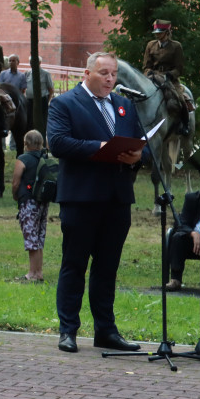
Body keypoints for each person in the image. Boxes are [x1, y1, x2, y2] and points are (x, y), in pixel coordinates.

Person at [48, 51, 146, 354]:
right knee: (74, 264)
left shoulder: (124, 105)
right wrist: (100, 148)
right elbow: (59, 142)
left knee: (107, 268)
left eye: (114, 73)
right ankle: (68, 331)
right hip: (81, 198)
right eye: (104, 73)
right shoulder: (64, 103)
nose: (110, 79)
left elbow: (143, 142)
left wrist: (139, 155)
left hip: (117, 199)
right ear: (86, 73)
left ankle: (106, 330)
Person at [11, 130, 49, 282]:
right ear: (41, 144)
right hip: (43, 202)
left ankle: (32, 273)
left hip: (28, 202)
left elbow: (15, 182)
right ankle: (38, 272)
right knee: (39, 238)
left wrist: (16, 197)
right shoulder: (44, 158)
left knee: (31, 238)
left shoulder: (23, 159)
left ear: (25, 143)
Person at [142, 19, 192, 130]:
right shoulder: (150, 45)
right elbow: (146, 66)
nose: (157, 35)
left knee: (180, 99)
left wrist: (171, 75)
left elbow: (179, 68)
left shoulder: (176, 46)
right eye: (156, 33)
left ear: (167, 32)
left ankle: (185, 125)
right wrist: (148, 72)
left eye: (160, 33)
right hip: (153, 78)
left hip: (169, 79)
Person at [164, 175, 200, 292]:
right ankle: (175, 279)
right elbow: (181, 223)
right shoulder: (192, 199)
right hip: (196, 243)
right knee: (177, 237)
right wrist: (193, 233)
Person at [23, 56, 54, 136]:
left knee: (41, 123)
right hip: (29, 101)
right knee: (29, 122)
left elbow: (51, 90)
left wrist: (47, 101)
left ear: (39, 63)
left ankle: (42, 142)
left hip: (42, 101)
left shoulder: (46, 74)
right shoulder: (27, 73)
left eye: (34, 62)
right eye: (30, 62)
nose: (31, 64)